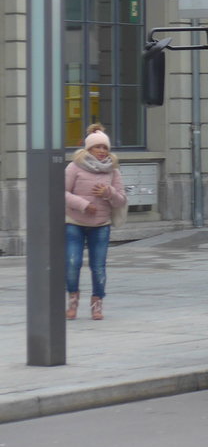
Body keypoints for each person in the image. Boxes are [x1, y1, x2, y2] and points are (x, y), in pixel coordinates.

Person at [64, 126, 127, 320]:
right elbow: (61, 193)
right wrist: (84, 205)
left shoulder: (113, 170)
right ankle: (73, 301)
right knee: (73, 263)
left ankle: (97, 304)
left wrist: (108, 193)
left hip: (100, 225)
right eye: (97, 147)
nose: (102, 151)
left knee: (98, 266)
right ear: (88, 149)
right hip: (74, 222)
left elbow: (121, 200)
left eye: (105, 147)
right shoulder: (74, 167)